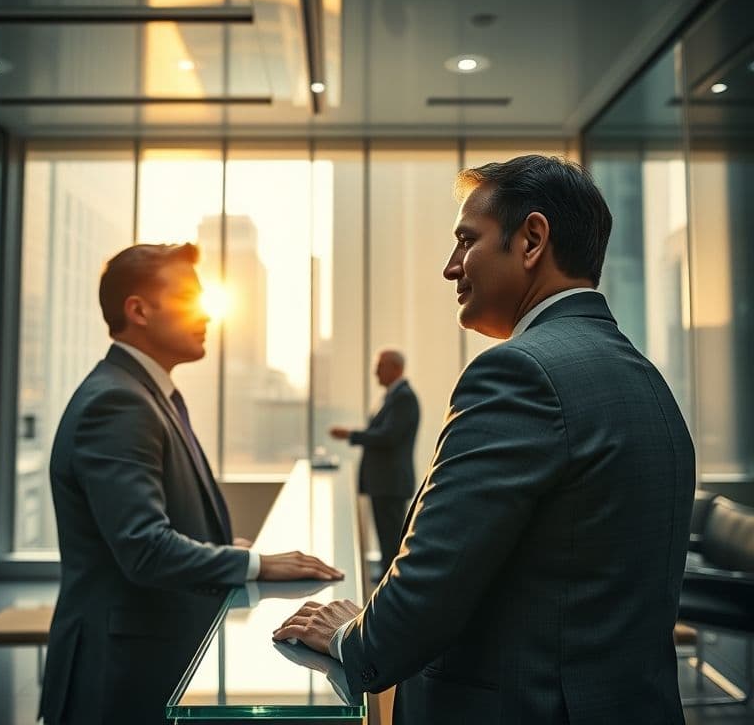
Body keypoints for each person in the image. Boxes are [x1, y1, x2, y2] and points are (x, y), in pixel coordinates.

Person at [273, 155, 696, 724]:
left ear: (531, 240)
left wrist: (352, 637)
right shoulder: (646, 380)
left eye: (466, 241)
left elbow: (428, 586)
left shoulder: (520, 373)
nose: (451, 268)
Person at [39, 243, 342, 725]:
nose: (206, 314)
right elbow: (143, 548)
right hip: (119, 672)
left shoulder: (142, 392)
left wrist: (217, 546)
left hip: (138, 656)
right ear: (138, 310)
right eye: (187, 298)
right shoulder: (118, 403)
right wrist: (255, 563)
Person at [329, 349, 419, 577]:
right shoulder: (393, 397)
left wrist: (352, 435)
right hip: (384, 482)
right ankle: (388, 580)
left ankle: (392, 585)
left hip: (390, 482)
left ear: (395, 368)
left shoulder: (404, 398)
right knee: (386, 535)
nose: (375, 372)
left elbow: (388, 436)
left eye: (380, 366)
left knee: (391, 536)